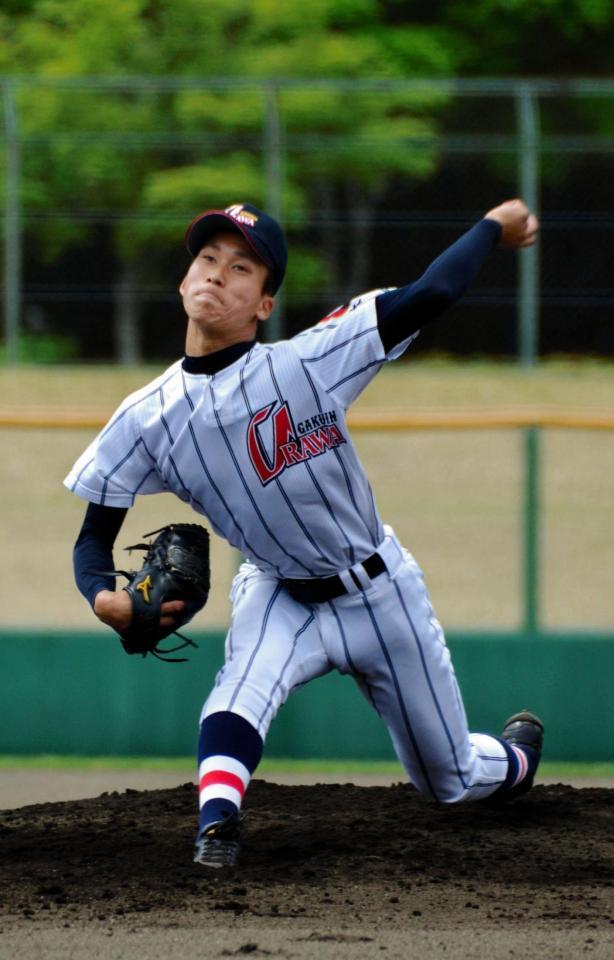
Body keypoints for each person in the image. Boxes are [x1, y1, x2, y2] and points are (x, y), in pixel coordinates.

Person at [65, 198, 543, 870]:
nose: (216, 274)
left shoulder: (310, 361)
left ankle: (518, 759)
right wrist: (102, 597)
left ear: (263, 304)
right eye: (206, 260)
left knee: (449, 779)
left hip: (380, 590)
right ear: (182, 282)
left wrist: (494, 225)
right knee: (238, 690)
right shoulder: (145, 417)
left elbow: (432, 291)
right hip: (278, 591)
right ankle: (216, 827)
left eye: (240, 268)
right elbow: (94, 538)